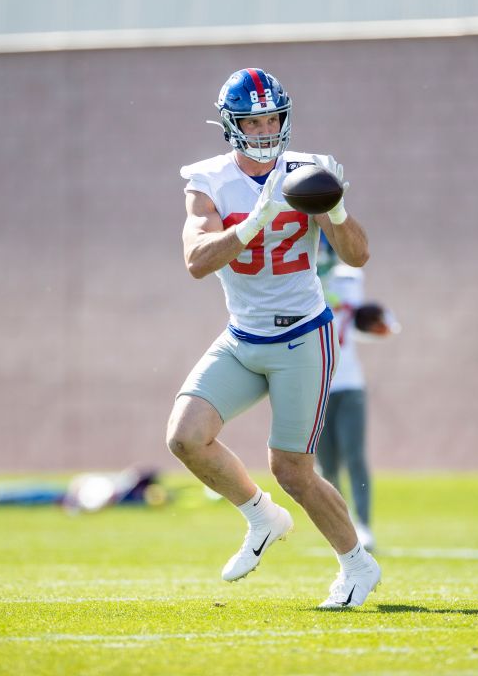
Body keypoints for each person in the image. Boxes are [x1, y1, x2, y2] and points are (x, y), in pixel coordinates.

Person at [165, 68, 382, 608]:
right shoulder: (208, 180)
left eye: (271, 119)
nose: (264, 130)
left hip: (303, 336)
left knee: (292, 470)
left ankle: (358, 564)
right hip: (243, 337)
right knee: (185, 437)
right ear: (230, 125)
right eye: (252, 120)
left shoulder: (309, 172)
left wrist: (335, 209)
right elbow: (196, 261)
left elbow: (357, 254)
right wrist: (250, 223)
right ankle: (261, 517)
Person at [314, 236, 397, 553]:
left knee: (355, 456)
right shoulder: (297, 278)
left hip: (348, 383)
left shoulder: (349, 278)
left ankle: (363, 525)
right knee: (327, 464)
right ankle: (340, 526)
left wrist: (381, 323)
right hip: (315, 386)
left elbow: (355, 323)